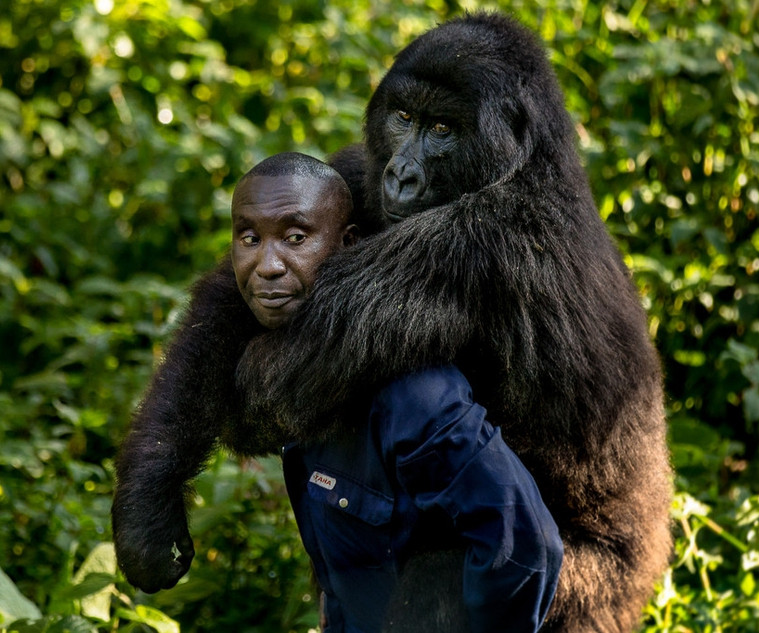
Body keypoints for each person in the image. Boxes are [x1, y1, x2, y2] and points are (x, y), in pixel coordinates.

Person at [232, 152, 563, 633]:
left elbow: (524, 546)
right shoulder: (294, 369)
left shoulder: (413, 394)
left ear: (348, 247)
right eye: (249, 239)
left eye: (296, 238)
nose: (267, 265)